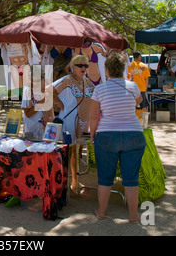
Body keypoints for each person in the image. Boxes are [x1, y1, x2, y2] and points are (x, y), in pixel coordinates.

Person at [89, 52, 146, 223]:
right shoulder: (133, 86)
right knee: (131, 179)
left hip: (106, 135)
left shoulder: (99, 89)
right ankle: (133, 215)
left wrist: (93, 136)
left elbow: (93, 117)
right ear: (123, 69)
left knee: (105, 178)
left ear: (106, 70)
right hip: (134, 134)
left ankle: (101, 211)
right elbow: (139, 102)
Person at [53, 55, 95, 192]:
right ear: (72, 67)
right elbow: (48, 91)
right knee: (67, 152)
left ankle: (75, 182)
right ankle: (66, 182)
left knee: (76, 153)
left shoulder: (88, 83)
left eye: (86, 65)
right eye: (80, 65)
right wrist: (59, 103)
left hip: (83, 124)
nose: (83, 68)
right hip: (68, 122)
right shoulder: (66, 81)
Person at [21, 65, 50, 141]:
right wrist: (40, 103)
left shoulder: (47, 89)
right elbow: (28, 114)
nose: (36, 83)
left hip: (44, 133)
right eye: (34, 80)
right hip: (31, 132)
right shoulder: (27, 90)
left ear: (43, 79)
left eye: (39, 80)